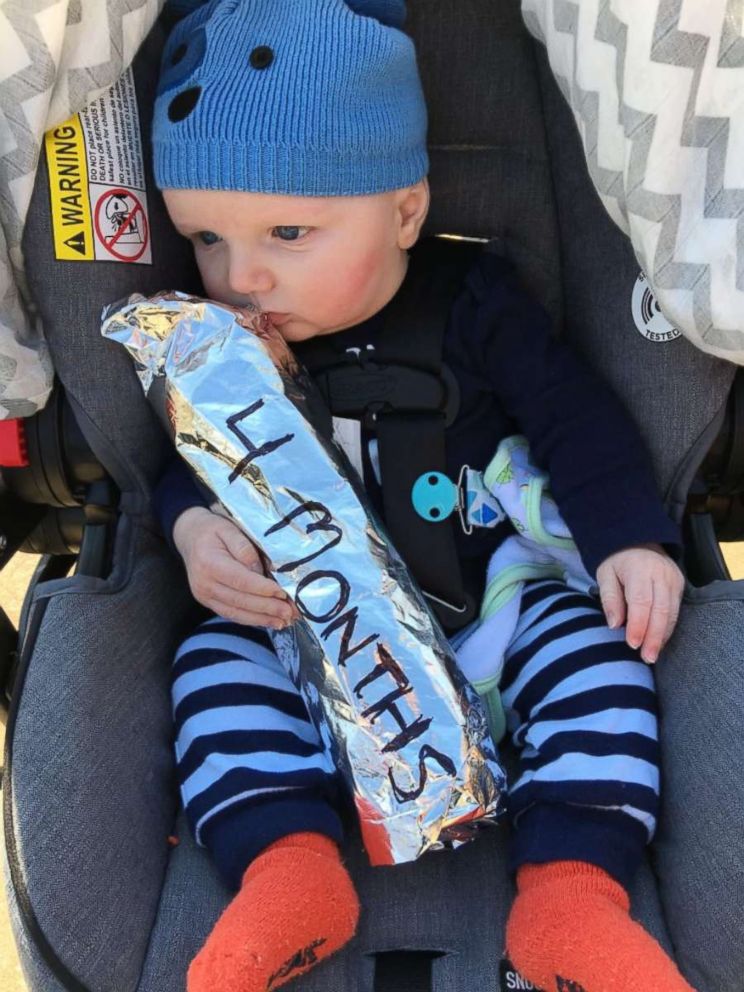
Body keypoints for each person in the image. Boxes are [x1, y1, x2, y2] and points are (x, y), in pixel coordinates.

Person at [150, 1, 692, 990]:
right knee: (212, 669)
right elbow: (186, 464)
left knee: (600, 663)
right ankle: (288, 864)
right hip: (316, 640)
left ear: (404, 211)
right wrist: (192, 531)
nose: (243, 274)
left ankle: (571, 891)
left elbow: (575, 416)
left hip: (493, 610)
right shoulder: (225, 352)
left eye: (285, 230)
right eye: (206, 238)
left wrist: (628, 539)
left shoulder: (473, 300)